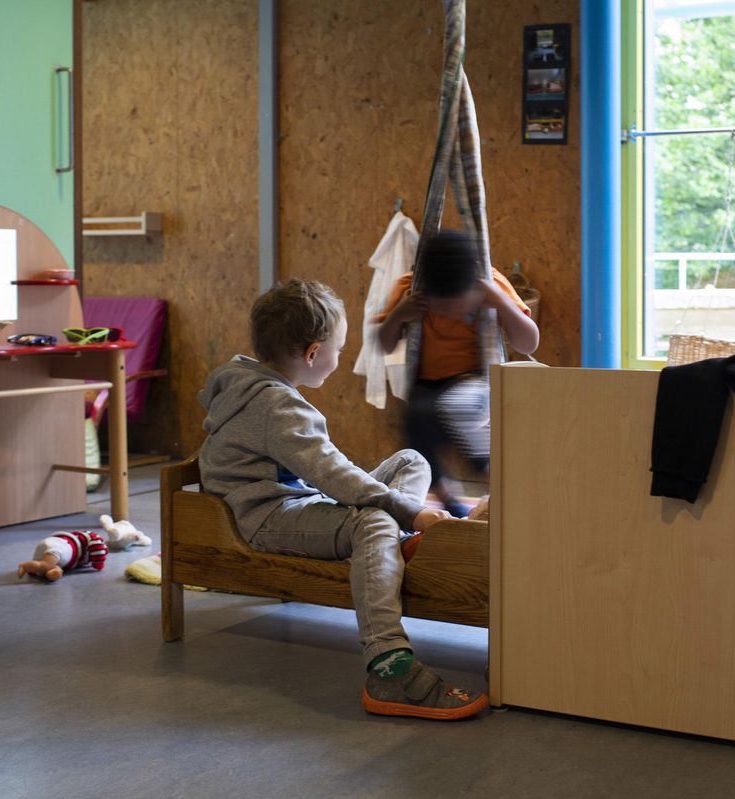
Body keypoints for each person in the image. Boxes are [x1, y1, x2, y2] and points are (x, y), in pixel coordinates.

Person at [197, 278, 487, 720]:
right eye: (338, 348)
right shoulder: (278, 408)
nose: (339, 357)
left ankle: (390, 541)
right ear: (313, 353)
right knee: (372, 521)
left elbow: (331, 475)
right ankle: (388, 665)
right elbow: (334, 476)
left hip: (290, 497)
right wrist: (413, 510)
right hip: (268, 514)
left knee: (410, 460)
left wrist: (400, 508)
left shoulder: (244, 382)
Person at [375, 229, 539, 517]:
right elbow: (384, 344)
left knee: (460, 409)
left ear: (475, 289)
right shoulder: (411, 291)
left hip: (476, 380)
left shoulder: (490, 285)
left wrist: (499, 301)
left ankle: (498, 482)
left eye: (458, 306)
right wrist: (399, 315)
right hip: (427, 384)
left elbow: (528, 342)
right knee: (417, 417)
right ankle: (446, 495)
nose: (450, 313)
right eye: (441, 308)